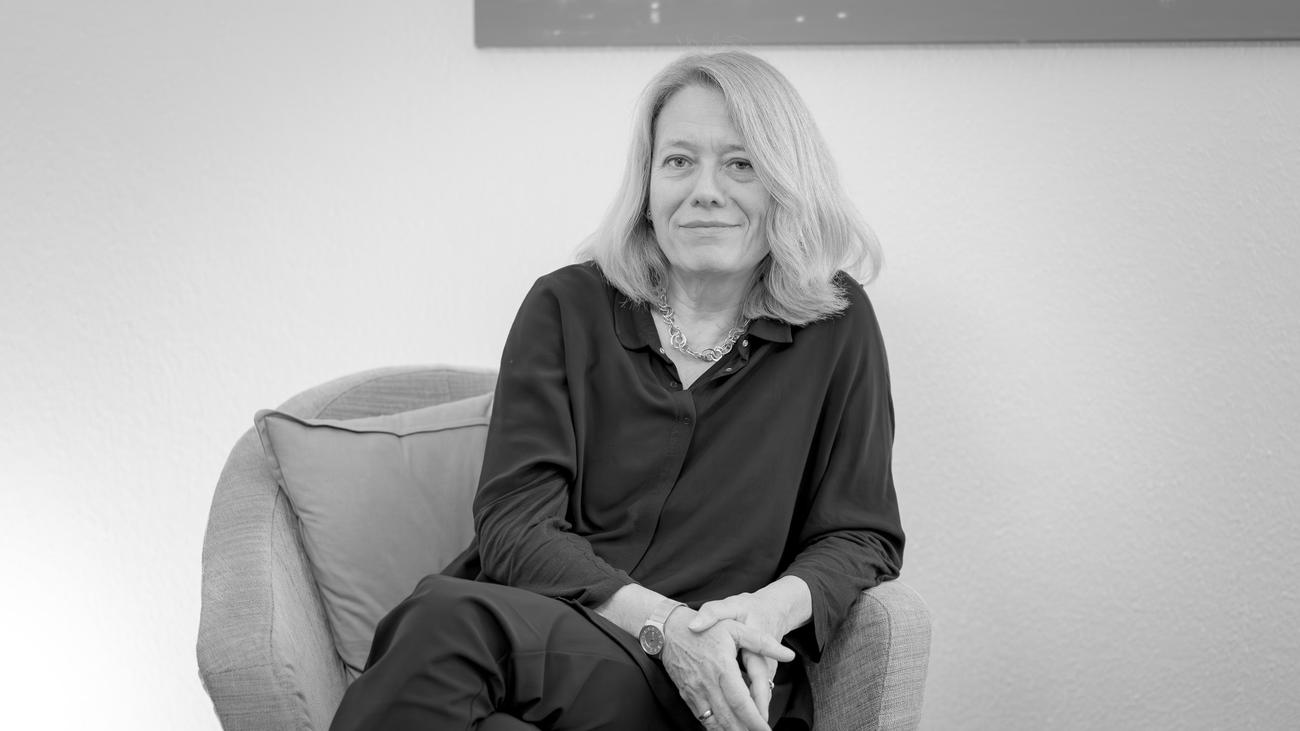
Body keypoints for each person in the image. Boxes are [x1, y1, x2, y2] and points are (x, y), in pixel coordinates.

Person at [330, 50, 904, 731]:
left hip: (705, 683)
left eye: (741, 164)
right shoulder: (566, 307)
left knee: (440, 621)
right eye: (679, 161)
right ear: (647, 184)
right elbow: (515, 524)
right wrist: (663, 624)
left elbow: (859, 531)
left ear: (785, 181)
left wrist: (764, 612)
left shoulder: (835, 324)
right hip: (550, 639)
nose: (706, 190)